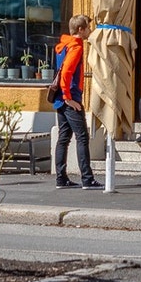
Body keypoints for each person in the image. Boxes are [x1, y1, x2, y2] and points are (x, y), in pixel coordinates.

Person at [52, 14, 100, 189]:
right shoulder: (76, 47)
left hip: (60, 98)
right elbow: (66, 73)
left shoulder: (63, 45)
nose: (90, 30)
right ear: (81, 30)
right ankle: (87, 179)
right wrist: (68, 98)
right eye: (88, 27)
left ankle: (61, 178)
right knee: (82, 137)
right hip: (70, 97)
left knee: (63, 138)